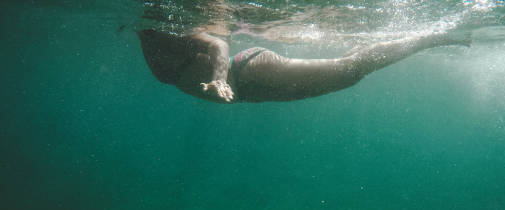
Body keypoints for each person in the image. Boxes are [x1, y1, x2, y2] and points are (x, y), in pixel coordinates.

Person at [138, 28, 469, 103]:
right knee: (348, 77)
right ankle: (364, 49)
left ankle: (432, 37)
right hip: (251, 92)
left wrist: (220, 79)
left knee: (352, 69)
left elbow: (218, 44)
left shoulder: (166, 30)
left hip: (249, 70)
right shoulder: (144, 35)